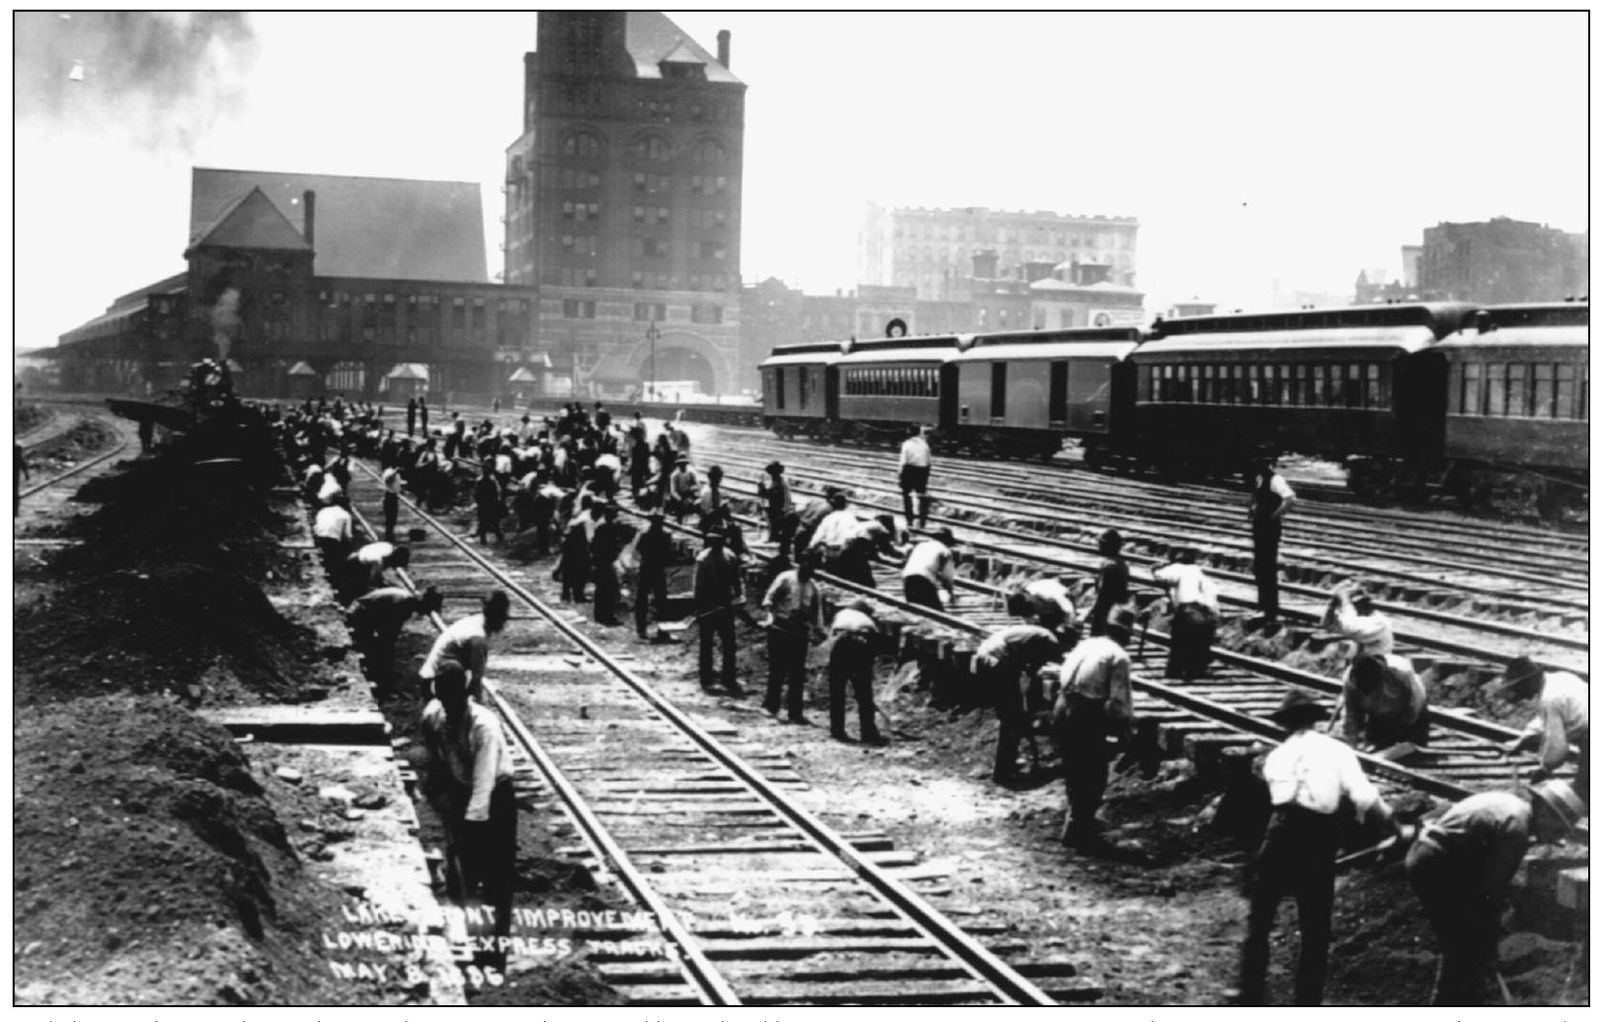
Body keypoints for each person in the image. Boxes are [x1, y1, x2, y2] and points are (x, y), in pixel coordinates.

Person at [1237, 687, 1396, 1006]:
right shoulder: (1336, 751)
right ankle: (1307, 1003)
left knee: (1260, 919)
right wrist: (1393, 825)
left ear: (1285, 723)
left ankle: (1249, 996)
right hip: (1316, 837)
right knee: (1315, 928)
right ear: (1316, 720)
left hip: (1279, 833)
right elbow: (1364, 797)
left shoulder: (1276, 756)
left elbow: (1270, 786)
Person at [1404, 781, 1585, 1005]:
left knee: (1462, 947)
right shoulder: (1516, 829)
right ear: (1546, 812)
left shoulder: (1512, 806)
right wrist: (1489, 936)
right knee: (1464, 949)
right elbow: (1490, 891)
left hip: (1435, 858)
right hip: (1438, 866)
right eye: (1557, 829)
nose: (1553, 837)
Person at [419, 660, 516, 967]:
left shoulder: (483, 726)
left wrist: (469, 827)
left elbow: (484, 782)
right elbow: (431, 756)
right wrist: (438, 795)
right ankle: (469, 940)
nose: (450, 707)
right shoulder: (434, 715)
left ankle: (494, 955)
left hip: (495, 799)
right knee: (463, 875)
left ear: (465, 694)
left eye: (454, 701)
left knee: (496, 878)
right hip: (461, 792)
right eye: (445, 701)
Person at [1053, 607, 1137, 850]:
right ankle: (1080, 831)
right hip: (1085, 713)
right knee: (1093, 772)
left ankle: (1076, 822)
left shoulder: (1087, 644)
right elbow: (1118, 703)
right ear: (1126, 634)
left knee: (1073, 767)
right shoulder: (1119, 656)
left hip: (1062, 705)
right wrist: (1125, 728)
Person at [975, 623, 1063, 786]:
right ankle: (1004, 771)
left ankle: (1006, 766)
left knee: (1009, 717)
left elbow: (1026, 668)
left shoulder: (1040, 635)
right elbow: (1031, 669)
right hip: (998, 660)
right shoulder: (1048, 641)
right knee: (1012, 720)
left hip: (986, 655)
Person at [1499, 655, 1588, 798]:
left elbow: (1557, 747)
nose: (1523, 695)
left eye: (1520, 688)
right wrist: (1523, 740)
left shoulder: (1549, 699)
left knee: (1583, 791)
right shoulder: (1560, 679)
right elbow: (1543, 721)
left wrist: (1544, 769)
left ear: (1529, 682)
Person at [761, 551, 825, 722]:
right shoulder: (786, 578)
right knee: (777, 670)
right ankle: (771, 706)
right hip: (780, 628)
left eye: (813, 567)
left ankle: (795, 713)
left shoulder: (814, 587)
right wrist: (770, 617)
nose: (809, 569)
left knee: (797, 673)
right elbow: (768, 599)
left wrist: (819, 631)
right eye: (807, 564)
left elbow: (816, 613)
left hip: (799, 633)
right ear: (801, 563)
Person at [347, 585, 443, 696]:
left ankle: (383, 681)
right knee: (377, 651)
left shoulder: (406, 601)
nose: (424, 613)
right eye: (427, 609)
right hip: (358, 613)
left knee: (382, 650)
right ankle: (382, 687)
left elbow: (388, 633)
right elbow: (387, 636)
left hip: (365, 613)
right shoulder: (402, 604)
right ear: (424, 603)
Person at [420, 591, 512, 702]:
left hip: (432, 677)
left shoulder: (475, 620)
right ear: (497, 616)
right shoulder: (477, 638)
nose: (504, 622)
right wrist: (479, 707)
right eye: (503, 616)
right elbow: (476, 679)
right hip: (436, 684)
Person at [1152, 548, 1220, 680]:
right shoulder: (1199, 572)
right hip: (1208, 615)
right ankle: (1195, 669)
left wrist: (1155, 569)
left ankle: (1174, 671)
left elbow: (1161, 577)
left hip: (1188, 611)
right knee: (1199, 645)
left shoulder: (1177, 568)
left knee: (1179, 643)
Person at [693, 530, 745, 695]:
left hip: (724, 604)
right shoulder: (703, 559)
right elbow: (698, 585)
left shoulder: (729, 557)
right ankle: (706, 677)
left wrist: (739, 595)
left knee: (729, 643)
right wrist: (699, 605)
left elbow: (737, 579)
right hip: (708, 605)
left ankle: (728, 677)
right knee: (706, 643)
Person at [827, 598, 885, 745]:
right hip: (861, 644)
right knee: (864, 693)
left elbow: (831, 637)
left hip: (840, 645)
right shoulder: (869, 622)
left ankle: (837, 729)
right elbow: (873, 649)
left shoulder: (841, 614)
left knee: (837, 691)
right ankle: (868, 732)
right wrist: (867, 670)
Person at [1247, 456, 1296, 624]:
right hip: (1259, 527)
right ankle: (1262, 606)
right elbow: (1257, 498)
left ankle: (1269, 609)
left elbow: (1290, 499)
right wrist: (1253, 509)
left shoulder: (1276, 479)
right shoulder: (1259, 479)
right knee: (1260, 567)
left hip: (1269, 528)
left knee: (1267, 567)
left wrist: (1273, 516)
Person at [633, 510, 674, 640]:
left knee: (642, 600)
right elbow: (669, 553)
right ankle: (662, 630)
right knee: (661, 601)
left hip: (646, 568)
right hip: (657, 569)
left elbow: (639, 549)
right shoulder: (666, 536)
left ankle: (641, 629)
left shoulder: (645, 534)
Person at [1007, 577, 1079, 648]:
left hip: (1063, 603)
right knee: (1041, 632)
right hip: (1047, 608)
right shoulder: (1025, 599)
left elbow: (1068, 609)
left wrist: (1070, 625)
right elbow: (1028, 623)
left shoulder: (1047, 594)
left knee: (1067, 633)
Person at [590, 503, 629, 626]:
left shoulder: (601, 527)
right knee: (608, 590)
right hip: (605, 562)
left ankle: (600, 615)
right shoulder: (607, 528)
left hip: (601, 562)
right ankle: (606, 616)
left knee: (602, 590)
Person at [1084, 530, 1129, 639]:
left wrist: (1093, 609)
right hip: (1116, 606)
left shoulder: (1108, 565)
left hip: (1105, 608)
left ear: (1108, 546)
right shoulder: (1122, 563)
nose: (1099, 547)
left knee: (1097, 636)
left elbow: (1103, 591)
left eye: (1101, 544)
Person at [901, 527, 957, 611]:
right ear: (946, 540)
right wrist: (950, 593)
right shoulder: (945, 551)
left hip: (907, 579)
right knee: (937, 613)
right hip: (924, 580)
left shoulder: (920, 545)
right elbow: (947, 577)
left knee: (915, 610)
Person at [341, 541, 412, 604]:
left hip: (358, 559)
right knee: (360, 590)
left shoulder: (388, 547)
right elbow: (375, 579)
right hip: (355, 564)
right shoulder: (377, 561)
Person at [897, 424, 933, 528]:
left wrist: (900, 475)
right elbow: (928, 461)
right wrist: (926, 474)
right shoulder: (925, 445)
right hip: (922, 471)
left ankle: (909, 520)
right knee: (922, 496)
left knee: (906, 496)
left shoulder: (906, 444)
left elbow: (903, 461)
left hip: (909, 470)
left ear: (909, 433)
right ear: (919, 433)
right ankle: (922, 522)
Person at [757, 461, 796, 545]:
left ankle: (775, 536)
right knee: (771, 521)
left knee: (776, 522)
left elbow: (787, 497)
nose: (772, 475)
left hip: (779, 506)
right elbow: (766, 495)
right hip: (772, 505)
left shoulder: (783, 483)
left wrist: (785, 508)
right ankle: (773, 536)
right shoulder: (772, 481)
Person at [312, 499, 355, 568]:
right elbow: (348, 535)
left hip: (319, 537)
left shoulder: (323, 510)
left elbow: (316, 526)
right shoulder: (346, 515)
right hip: (332, 541)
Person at [474, 460, 505, 544]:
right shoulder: (492, 480)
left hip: (486, 503)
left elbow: (476, 493)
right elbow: (498, 491)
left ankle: (485, 539)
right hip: (490, 502)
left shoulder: (480, 480)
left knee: (485, 522)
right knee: (493, 521)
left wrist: (478, 501)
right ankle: (497, 537)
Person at [380, 463, 403, 543]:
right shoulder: (388, 471)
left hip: (394, 496)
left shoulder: (397, 473)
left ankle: (390, 534)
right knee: (389, 517)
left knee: (393, 518)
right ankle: (388, 536)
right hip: (389, 496)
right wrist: (394, 472)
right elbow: (387, 480)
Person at [15, 440, 30, 516]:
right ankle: (15, 512)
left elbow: (21, 461)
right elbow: (21, 461)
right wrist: (26, 473)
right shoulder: (17, 448)